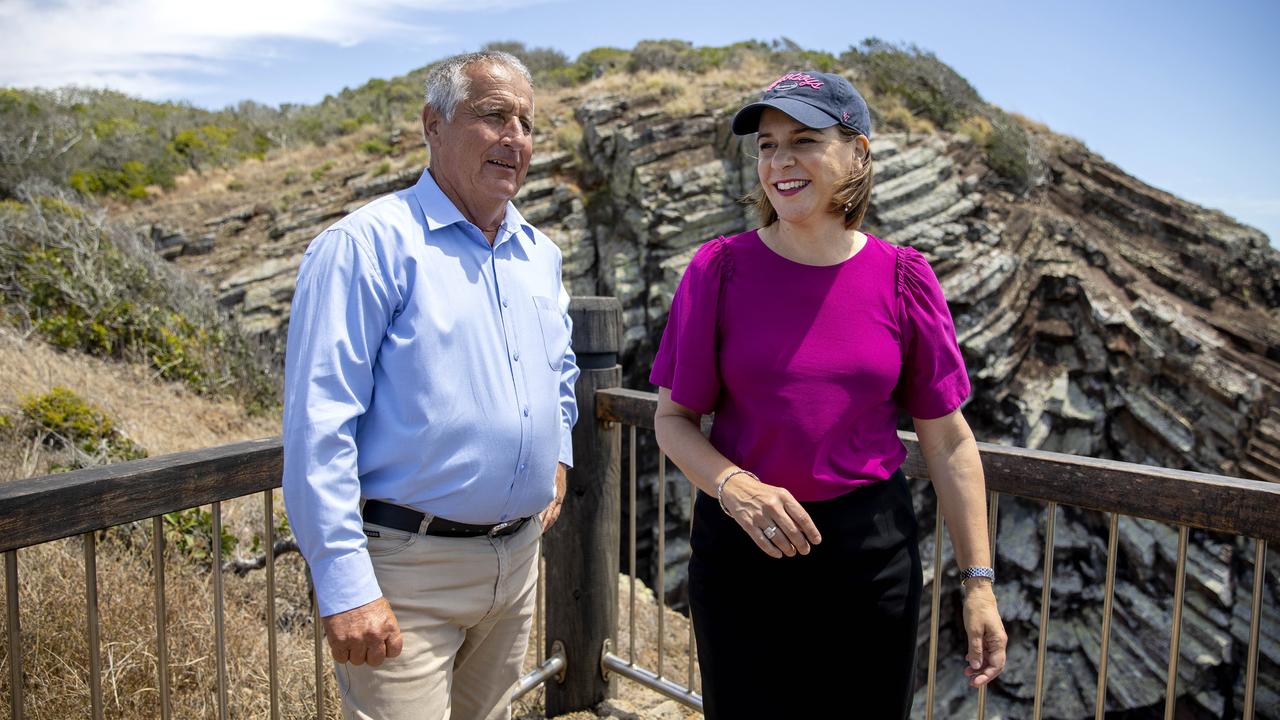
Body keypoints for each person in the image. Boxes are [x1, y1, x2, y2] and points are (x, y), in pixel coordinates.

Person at [650, 70, 1006, 718]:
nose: (781, 161)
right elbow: (673, 420)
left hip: (869, 557)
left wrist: (977, 582)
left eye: (805, 140)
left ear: (857, 153)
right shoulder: (718, 269)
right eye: (766, 144)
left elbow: (950, 442)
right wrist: (733, 486)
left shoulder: (904, 278)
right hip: (743, 550)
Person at [281, 50, 579, 720]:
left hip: (516, 562)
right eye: (493, 115)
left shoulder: (541, 253)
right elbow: (318, 422)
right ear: (433, 125)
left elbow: (559, 371)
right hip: (407, 574)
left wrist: (558, 455)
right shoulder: (366, 246)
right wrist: (343, 582)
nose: (515, 138)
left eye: (527, 122)